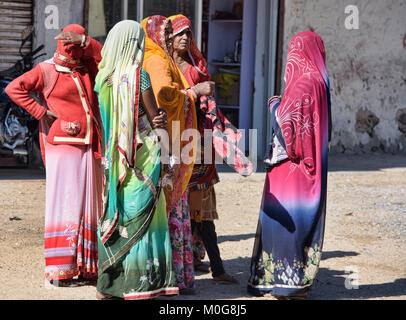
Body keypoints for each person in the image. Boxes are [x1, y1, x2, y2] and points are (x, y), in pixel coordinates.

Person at [5, 24, 103, 286]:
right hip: (62, 145)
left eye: (79, 45)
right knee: (66, 205)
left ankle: (86, 266)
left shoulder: (86, 68)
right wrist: (41, 112)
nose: (75, 50)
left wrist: (87, 40)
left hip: (88, 144)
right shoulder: (47, 69)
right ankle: (62, 269)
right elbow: (14, 88)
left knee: (87, 206)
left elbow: (106, 60)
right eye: (73, 45)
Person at [95, 20, 179, 300]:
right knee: (148, 214)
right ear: (135, 43)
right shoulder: (139, 75)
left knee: (119, 212)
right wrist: (167, 147)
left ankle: (110, 284)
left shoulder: (103, 78)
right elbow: (153, 117)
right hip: (143, 155)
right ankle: (144, 282)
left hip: (115, 158)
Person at [247, 31, 332, 299]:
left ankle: (283, 284)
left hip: (290, 170)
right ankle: (296, 281)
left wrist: (273, 105)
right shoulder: (320, 81)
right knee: (301, 223)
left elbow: (287, 128)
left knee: (284, 224)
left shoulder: (302, 83)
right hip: (313, 167)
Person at [168, 14, 240, 285]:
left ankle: (218, 269)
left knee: (202, 209)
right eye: (179, 33)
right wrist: (194, 90)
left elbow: (207, 104)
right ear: (169, 38)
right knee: (177, 206)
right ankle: (182, 263)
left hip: (199, 142)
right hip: (175, 142)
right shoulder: (164, 67)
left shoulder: (198, 66)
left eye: (188, 33)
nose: (185, 38)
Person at [141, 15, 198, 294]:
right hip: (167, 145)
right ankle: (174, 275)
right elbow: (163, 95)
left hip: (171, 142)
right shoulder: (157, 61)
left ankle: (176, 274)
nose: (169, 37)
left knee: (175, 207)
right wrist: (192, 93)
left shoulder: (158, 58)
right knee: (171, 206)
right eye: (167, 32)